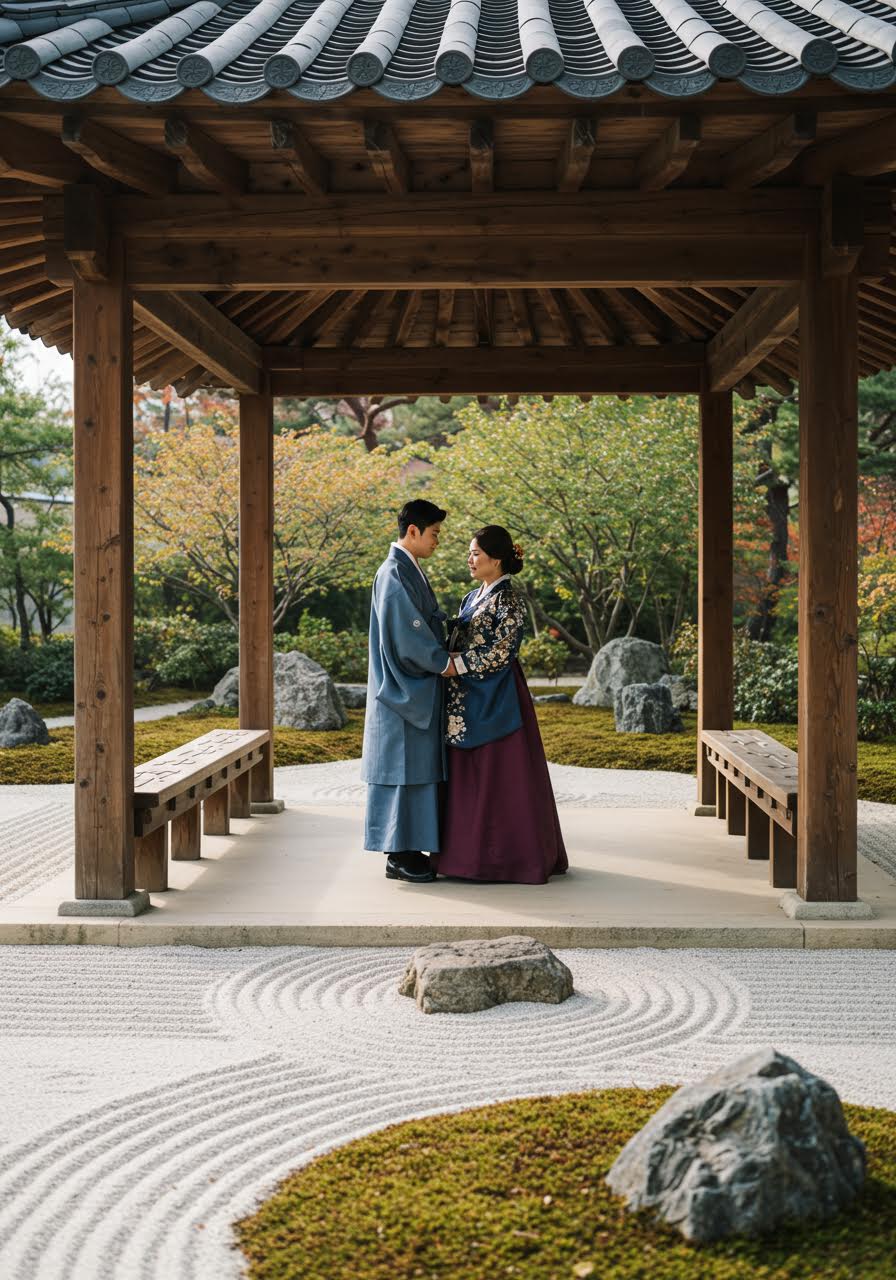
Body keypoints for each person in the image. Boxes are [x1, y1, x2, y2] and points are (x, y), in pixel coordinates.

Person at [435, 525, 568, 884]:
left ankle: (505, 859)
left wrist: (456, 664)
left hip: (497, 694)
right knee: (469, 776)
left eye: (476, 553)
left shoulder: (508, 599)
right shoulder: (472, 596)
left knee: (500, 775)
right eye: (470, 552)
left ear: (496, 558)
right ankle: (464, 856)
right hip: (468, 694)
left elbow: (503, 651)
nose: (470, 558)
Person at [362, 499, 456, 884]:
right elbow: (409, 634)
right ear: (413, 531)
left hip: (410, 688)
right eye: (433, 534)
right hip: (401, 691)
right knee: (403, 774)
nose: (437, 541)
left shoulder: (406, 569)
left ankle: (408, 849)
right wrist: (443, 661)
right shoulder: (394, 573)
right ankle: (398, 854)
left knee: (413, 772)